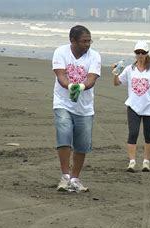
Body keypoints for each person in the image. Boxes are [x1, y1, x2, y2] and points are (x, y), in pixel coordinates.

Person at [52, 25, 101, 192]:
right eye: (84, 41)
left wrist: (80, 87)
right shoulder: (61, 52)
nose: (87, 44)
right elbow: (61, 76)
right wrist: (71, 86)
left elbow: (92, 79)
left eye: (89, 41)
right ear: (72, 40)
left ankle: (75, 178)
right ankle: (65, 176)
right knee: (64, 133)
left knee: (82, 143)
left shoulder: (94, 56)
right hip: (63, 102)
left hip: (85, 107)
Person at [112, 41, 150, 173]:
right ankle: (132, 161)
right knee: (133, 133)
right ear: (135, 54)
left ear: (147, 54)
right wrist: (115, 73)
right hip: (133, 106)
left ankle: (146, 162)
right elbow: (117, 83)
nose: (140, 55)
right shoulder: (129, 69)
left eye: (143, 52)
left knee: (148, 135)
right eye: (138, 52)